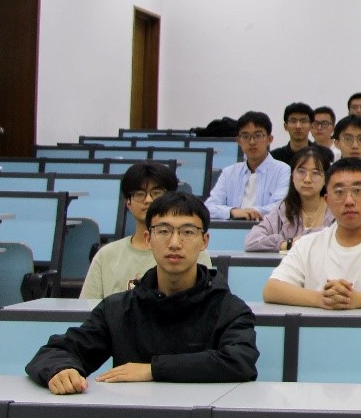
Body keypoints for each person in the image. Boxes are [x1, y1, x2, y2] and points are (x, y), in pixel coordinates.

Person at [27, 192, 258, 393]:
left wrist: (153, 370)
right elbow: (57, 351)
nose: (175, 243)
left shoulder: (229, 308)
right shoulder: (119, 309)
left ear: (204, 241)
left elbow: (240, 361)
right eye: (163, 231)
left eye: (188, 232)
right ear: (148, 239)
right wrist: (61, 370)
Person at [263, 158, 361, 309]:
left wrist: (360, 300)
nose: (349, 201)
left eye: (358, 191)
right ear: (327, 201)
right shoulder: (307, 244)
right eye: (339, 192)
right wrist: (321, 299)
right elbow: (272, 289)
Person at [81, 162, 212, 299]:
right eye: (139, 194)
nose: (148, 200)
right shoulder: (106, 255)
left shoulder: (192, 252)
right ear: (128, 203)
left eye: (156, 193)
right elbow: (88, 307)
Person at [204, 110, 291, 221]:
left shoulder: (283, 170)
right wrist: (233, 211)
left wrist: (250, 212)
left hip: (267, 229)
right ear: (238, 140)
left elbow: (281, 207)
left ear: (269, 139)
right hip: (232, 228)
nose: (252, 142)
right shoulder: (229, 172)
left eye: (258, 135)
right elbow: (209, 207)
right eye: (245, 136)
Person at [244, 147, 334, 252]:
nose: (307, 179)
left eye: (315, 173)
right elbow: (251, 242)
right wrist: (288, 244)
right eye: (301, 171)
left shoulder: (335, 210)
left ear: (326, 179)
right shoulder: (283, 210)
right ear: (292, 176)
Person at [270, 102, 333, 168]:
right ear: (285, 126)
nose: (298, 126)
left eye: (303, 121)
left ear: (311, 126)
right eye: (293, 121)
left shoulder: (324, 154)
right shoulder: (274, 157)